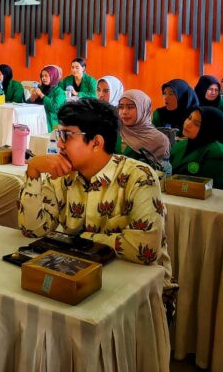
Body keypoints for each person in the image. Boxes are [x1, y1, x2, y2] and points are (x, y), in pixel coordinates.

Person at [18, 98, 172, 286]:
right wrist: (33, 171)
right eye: (59, 134)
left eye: (67, 135)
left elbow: (145, 248)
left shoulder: (139, 177)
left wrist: (77, 240)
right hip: (77, 277)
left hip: (139, 286)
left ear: (96, 142)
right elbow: (33, 230)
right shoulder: (62, 175)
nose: (59, 144)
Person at [170, 107, 223, 190]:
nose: (187, 124)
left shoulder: (218, 155)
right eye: (189, 118)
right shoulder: (181, 144)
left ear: (209, 129)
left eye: (196, 124)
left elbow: (206, 188)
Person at [116, 90, 171, 166]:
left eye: (130, 107)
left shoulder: (159, 140)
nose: (124, 112)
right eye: (121, 107)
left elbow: (162, 170)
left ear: (143, 109)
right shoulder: (114, 131)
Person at [28, 65, 66, 130]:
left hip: (52, 122)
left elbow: (54, 107)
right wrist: (32, 99)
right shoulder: (40, 88)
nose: (43, 78)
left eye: (46, 76)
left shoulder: (60, 92)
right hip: (36, 119)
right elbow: (27, 106)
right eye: (42, 76)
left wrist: (41, 95)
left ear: (53, 76)